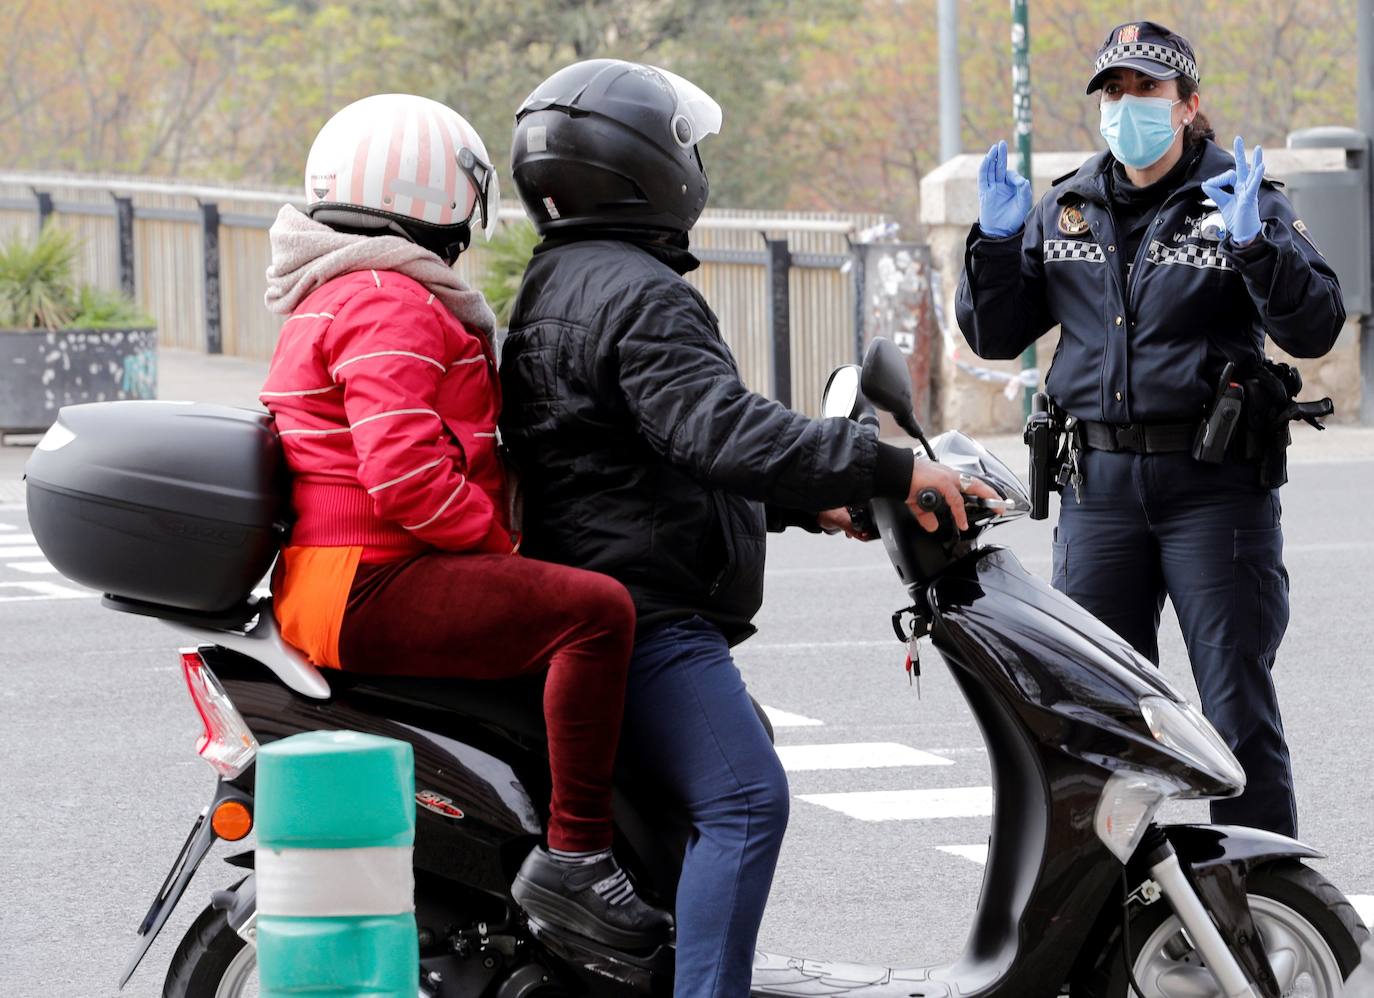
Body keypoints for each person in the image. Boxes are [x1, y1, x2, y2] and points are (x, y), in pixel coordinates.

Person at [499, 60, 996, 998]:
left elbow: (630, 456)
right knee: (747, 797)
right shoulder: (640, 294)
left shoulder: (561, 281)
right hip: (646, 615)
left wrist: (812, 501)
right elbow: (718, 430)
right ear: (646, 162)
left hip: (606, 580)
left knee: (718, 785)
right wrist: (890, 464)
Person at [258, 93, 673, 948]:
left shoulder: (340, 289)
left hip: (344, 579)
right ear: (435, 197)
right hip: (371, 577)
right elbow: (406, 473)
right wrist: (500, 549)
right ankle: (578, 859)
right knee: (595, 613)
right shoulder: (388, 299)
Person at [956, 22, 1344, 838]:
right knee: (1097, 711)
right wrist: (994, 245)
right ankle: (1110, 913)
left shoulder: (1240, 197)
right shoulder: (1065, 205)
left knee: (1234, 704)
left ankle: (1261, 899)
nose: (1126, 106)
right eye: (1114, 92)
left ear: (1189, 105)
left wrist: (1254, 245)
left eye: (1146, 91)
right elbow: (995, 334)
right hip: (1098, 491)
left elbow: (1315, 327)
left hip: (1214, 491)